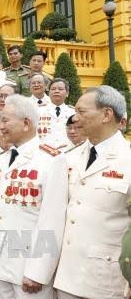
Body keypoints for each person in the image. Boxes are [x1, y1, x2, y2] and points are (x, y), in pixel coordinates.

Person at [0, 94, 68, 299]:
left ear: (26, 123)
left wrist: (38, 271)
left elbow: (52, 220)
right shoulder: (2, 159)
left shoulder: (51, 160)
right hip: (0, 263)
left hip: (28, 269)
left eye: (5, 119)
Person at [54, 85, 130, 299]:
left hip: (107, 281)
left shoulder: (128, 160)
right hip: (67, 277)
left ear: (106, 114)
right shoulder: (69, 158)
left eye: (81, 111)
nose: (75, 118)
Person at [37, 78, 74, 149]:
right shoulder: (38, 111)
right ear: (48, 93)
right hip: (43, 153)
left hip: (67, 152)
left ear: (67, 93)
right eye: (53, 89)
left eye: (60, 89)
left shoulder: (73, 113)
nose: (56, 91)